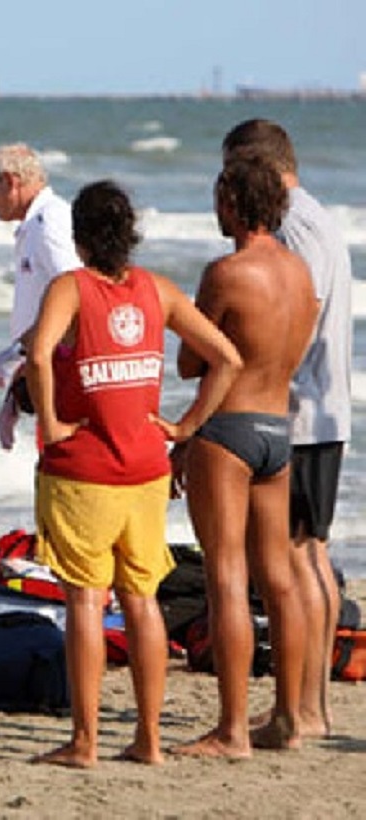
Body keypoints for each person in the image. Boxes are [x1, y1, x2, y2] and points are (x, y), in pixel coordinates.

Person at [25, 180, 241, 768]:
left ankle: (85, 742)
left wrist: (49, 422)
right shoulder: (158, 289)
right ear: (131, 233)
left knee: (86, 601)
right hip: (145, 467)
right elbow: (227, 358)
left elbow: (40, 353)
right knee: (141, 599)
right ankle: (148, 739)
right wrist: (188, 425)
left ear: (78, 236)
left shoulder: (70, 288)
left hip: (84, 469)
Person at [174, 159, 319, 758]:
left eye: (218, 196)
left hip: (227, 429)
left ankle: (232, 729)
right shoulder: (300, 276)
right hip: (277, 430)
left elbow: (189, 362)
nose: (215, 207)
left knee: (226, 577)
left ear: (234, 201)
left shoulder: (227, 272)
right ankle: (287, 715)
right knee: (279, 579)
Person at [222, 119, 354, 737]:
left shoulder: (294, 225)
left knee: (296, 558)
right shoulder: (322, 216)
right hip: (327, 407)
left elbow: (296, 313)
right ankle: (315, 706)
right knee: (312, 554)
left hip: (299, 409)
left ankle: (301, 710)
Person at [0, 143, 83, 450]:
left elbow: (77, 296)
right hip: (44, 367)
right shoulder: (35, 224)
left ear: (10, 182)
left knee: (59, 463)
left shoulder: (48, 223)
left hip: (62, 372)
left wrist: (17, 354)